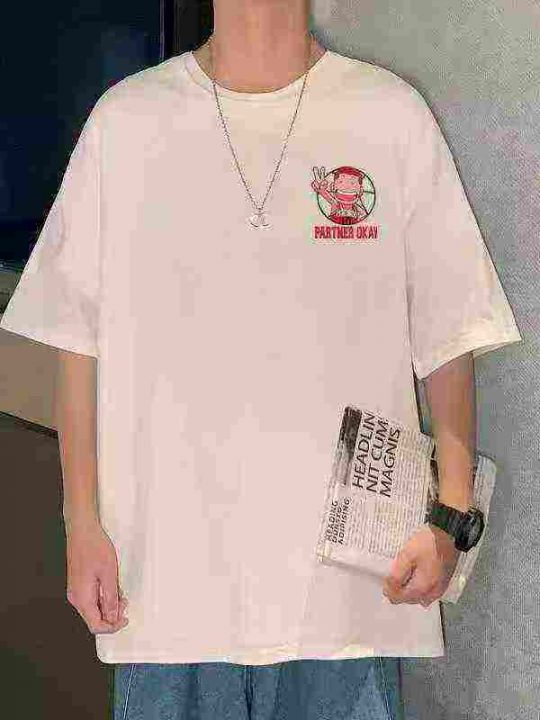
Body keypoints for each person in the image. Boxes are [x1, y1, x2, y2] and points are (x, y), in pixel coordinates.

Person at [0, 0, 523, 718]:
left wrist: (450, 516)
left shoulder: (388, 116)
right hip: (166, 589)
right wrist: (80, 523)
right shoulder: (126, 125)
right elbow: (75, 339)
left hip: (348, 599)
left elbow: (450, 331)